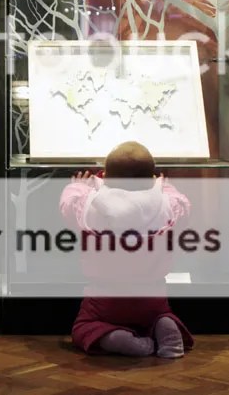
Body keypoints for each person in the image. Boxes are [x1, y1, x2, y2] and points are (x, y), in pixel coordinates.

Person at [59, 141, 194, 358]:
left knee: (84, 326)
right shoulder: (168, 205)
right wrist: (165, 186)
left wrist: (79, 186)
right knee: (158, 315)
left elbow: (68, 204)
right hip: (152, 294)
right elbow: (183, 205)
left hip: (104, 297)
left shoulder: (89, 205)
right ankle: (164, 324)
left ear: (105, 177)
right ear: (152, 178)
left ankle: (117, 338)